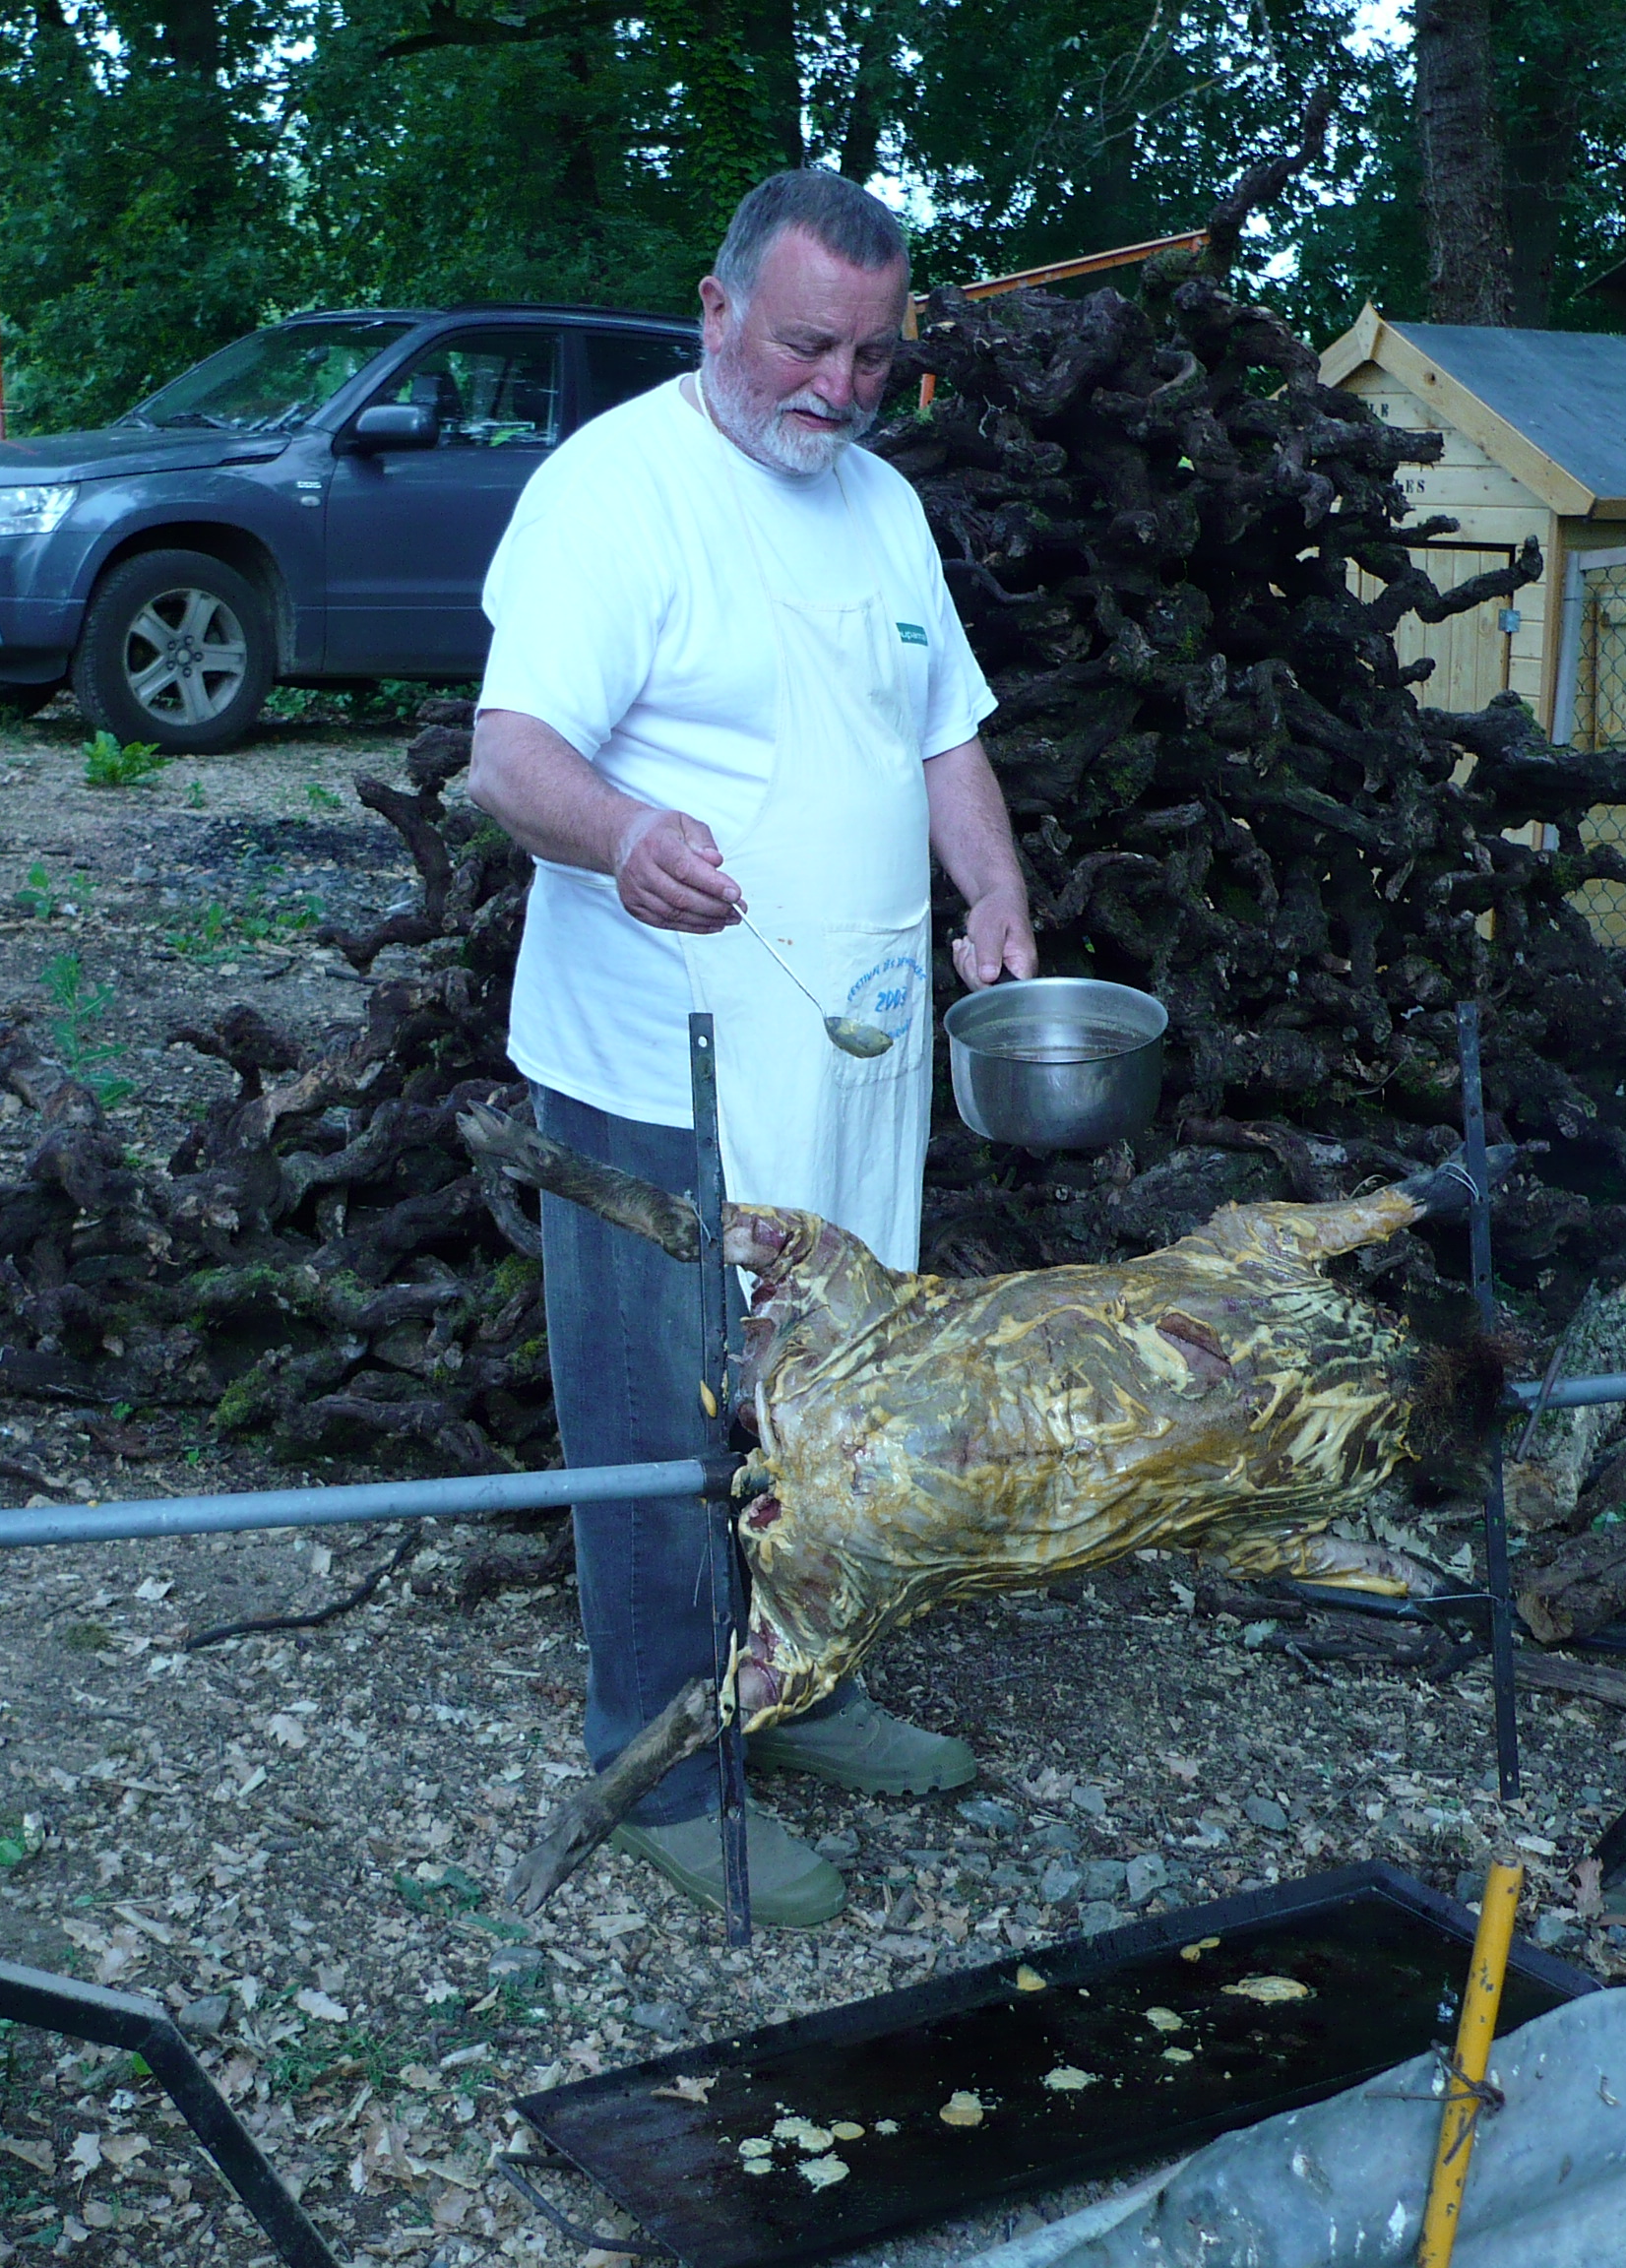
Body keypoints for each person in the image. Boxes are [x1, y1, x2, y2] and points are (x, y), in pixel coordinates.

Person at [468, 169, 1037, 1926]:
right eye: (806, 345)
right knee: (664, 1412)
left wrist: (995, 894)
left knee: (821, 1395)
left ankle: (801, 1683)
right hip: (662, 1063)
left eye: (872, 358)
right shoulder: (615, 494)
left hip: (850, 1056)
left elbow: (942, 732)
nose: (838, 388)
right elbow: (510, 755)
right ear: (714, 310)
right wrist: (624, 833)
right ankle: (663, 1761)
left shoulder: (882, 508)